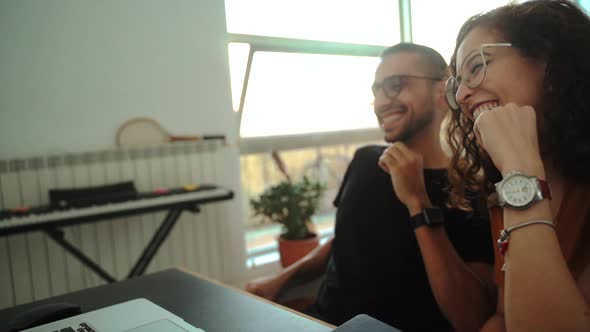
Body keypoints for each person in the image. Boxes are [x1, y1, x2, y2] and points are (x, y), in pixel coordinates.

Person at [246, 43, 495, 332]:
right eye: (377, 90)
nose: (381, 102)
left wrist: (419, 203)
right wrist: (277, 281)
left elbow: (472, 319)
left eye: (396, 85)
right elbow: (343, 241)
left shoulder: (471, 189)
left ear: (442, 91)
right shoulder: (366, 161)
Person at [444, 1, 590, 331]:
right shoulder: (506, 189)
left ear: (548, 58)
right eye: (457, 85)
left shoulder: (517, 181)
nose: (464, 93)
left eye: (477, 66)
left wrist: (519, 171)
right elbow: (505, 316)